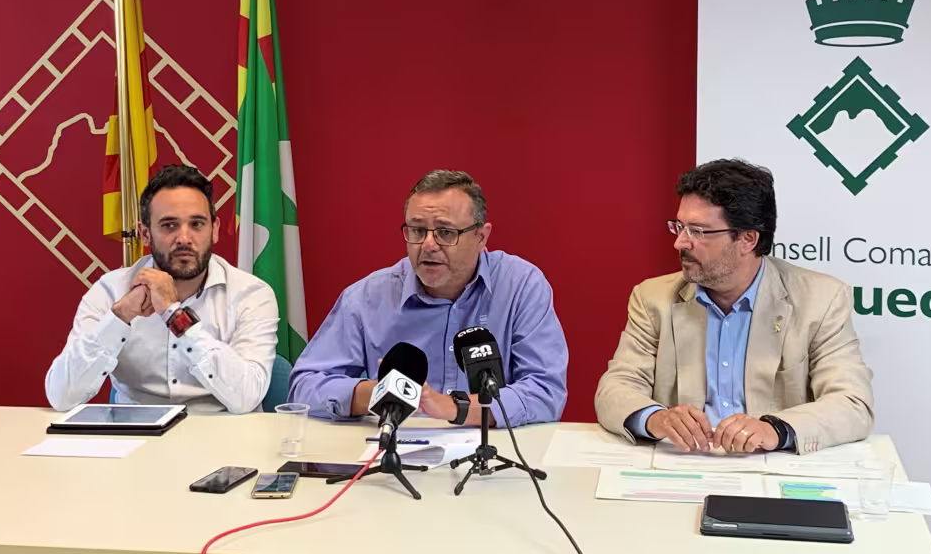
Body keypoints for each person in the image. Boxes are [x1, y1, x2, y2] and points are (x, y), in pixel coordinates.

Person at [595, 159, 873, 454]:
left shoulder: (821, 299)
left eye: (698, 231)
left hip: (772, 466)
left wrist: (775, 429)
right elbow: (616, 387)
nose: (680, 243)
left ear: (747, 239)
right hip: (684, 462)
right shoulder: (653, 298)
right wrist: (656, 418)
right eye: (679, 227)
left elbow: (852, 403)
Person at [290, 169, 568, 429]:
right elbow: (304, 387)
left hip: (492, 451)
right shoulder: (368, 297)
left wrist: (452, 407)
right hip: (396, 448)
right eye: (417, 230)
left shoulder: (520, 287)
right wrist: (378, 393)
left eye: (445, 232)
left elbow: (545, 391)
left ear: (481, 237)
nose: (428, 245)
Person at [45, 165, 279, 414]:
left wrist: (174, 314)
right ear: (145, 234)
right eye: (169, 225)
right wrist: (120, 317)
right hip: (135, 433)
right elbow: (62, 396)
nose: (184, 238)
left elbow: (246, 398)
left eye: (197, 224)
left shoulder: (251, 294)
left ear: (215, 230)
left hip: (224, 431)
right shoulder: (110, 291)